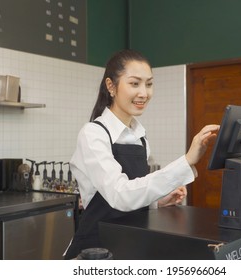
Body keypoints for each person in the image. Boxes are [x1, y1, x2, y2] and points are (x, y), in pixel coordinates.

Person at [63, 49, 219, 259]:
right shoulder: (93, 134)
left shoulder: (140, 136)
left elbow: (135, 191)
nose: (144, 93)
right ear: (111, 86)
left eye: (149, 84)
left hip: (131, 246)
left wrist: (157, 202)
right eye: (134, 83)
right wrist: (187, 160)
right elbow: (120, 195)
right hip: (95, 250)